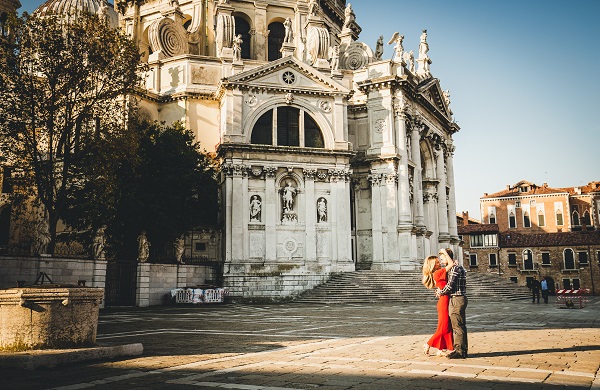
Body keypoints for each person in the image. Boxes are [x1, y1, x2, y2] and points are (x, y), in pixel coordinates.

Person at [436, 248, 468, 359]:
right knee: (461, 325)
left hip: (456, 299)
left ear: (447, 256)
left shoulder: (454, 268)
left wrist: (440, 292)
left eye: (442, 258)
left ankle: (459, 351)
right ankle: (462, 350)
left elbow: (450, 286)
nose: (441, 261)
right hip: (460, 298)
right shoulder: (458, 267)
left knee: (457, 326)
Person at [422, 255, 454, 356]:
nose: (439, 263)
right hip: (444, 302)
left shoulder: (438, 272)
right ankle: (427, 344)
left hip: (445, 300)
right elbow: (451, 264)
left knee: (447, 327)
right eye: (436, 262)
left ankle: (441, 349)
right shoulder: (438, 272)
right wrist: (444, 252)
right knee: (443, 328)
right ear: (432, 265)